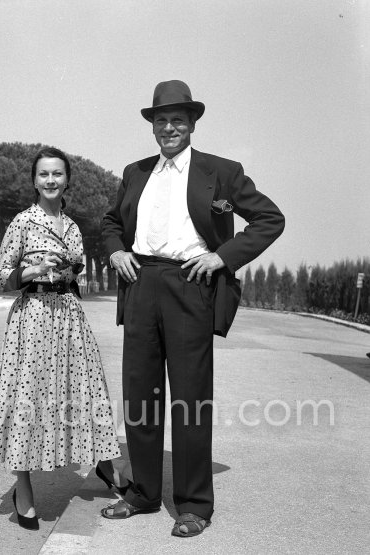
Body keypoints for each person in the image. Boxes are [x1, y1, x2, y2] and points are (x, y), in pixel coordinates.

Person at [101, 80, 285, 537]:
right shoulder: (135, 171)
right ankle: (143, 492)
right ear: (153, 126)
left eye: (178, 120)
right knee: (141, 395)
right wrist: (116, 251)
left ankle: (194, 503)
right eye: (161, 120)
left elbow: (270, 218)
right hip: (140, 283)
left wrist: (223, 256)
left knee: (189, 400)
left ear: (192, 124)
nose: (169, 128)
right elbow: (109, 222)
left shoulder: (221, 171)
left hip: (191, 285)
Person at [0, 146, 126, 530]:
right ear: (34, 181)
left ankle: (104, 463)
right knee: (28, 398)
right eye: (44, 175)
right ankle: (23, 487)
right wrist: (32, 269)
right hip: (32, 320)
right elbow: (2, 276)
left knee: (87, 391)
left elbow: (76, 269)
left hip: (68, 317)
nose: (51, 181)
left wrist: (66, 269)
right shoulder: (23, 222)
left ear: (67, 180)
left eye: (58, 174)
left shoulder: (72, 227)